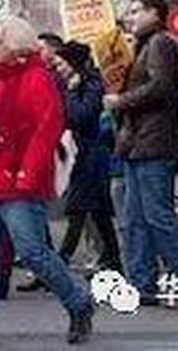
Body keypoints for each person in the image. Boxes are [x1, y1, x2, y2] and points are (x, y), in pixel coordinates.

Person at [0, 16, 95, 349]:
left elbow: (47, 128)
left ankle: (78, 302)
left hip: (15, 180)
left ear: (13, 46)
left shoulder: (37, 78)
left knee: (33, 252)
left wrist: (27, 173)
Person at [101, 0, 178, 305]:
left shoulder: (160, 43)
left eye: (136, 11)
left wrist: (121, 101)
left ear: (155, 13)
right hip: (138, 143)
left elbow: (162, 87)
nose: (130, 17)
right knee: (134, 219)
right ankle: (143, 283)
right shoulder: (145, 45)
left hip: (154, 142)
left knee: (158, 215)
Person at [52, 41, 122, 274]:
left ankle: (60, 262)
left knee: (78, 208)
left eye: (61, 63)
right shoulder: (74, 84)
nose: (58, 67)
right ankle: (114, 261)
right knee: (97, 211)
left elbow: (82, 117)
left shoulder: (90, 84)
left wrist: (71, 93)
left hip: (92, 154)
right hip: (81, 152)